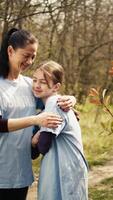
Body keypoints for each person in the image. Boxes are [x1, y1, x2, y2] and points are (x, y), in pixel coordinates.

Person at [0, 28, 76, 200]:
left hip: (22, 173)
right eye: (26, 55)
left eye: (33, 56)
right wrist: (35, 119)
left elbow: (54, 104)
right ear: (10, 51)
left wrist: (71, 100)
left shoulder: (29, 84)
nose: (30, 61)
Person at [32, 60, 88, 200]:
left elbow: (43, 146)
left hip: (66, 169)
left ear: (56, 86)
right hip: (66, 167)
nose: (37, 85)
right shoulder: (50, 104)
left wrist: (34, 140)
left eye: (43, 82)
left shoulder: (54, 103)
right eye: (34, 80)